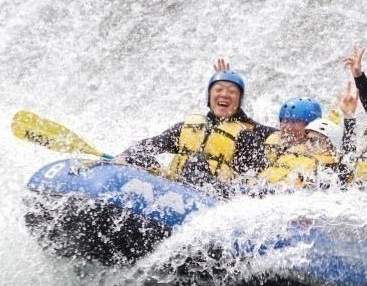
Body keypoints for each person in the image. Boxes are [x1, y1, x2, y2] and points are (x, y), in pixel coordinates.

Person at [116, 58, 274, 195]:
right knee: (139, 156)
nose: (224, 94)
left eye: (232, 92)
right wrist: (126, 156)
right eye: (218, 89)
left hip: (213, 198)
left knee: (196, 163)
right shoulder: (188, 127)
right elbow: (152, 144)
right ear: (209, 97)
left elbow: (255, 181)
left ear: (239, 102)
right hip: (174, 187)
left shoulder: (245, 137)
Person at [263, 97, 323, 166]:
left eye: (295, 122)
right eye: (285, 121)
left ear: (311, 126)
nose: (288, 128)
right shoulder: (274, 141)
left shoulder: (320, 151)